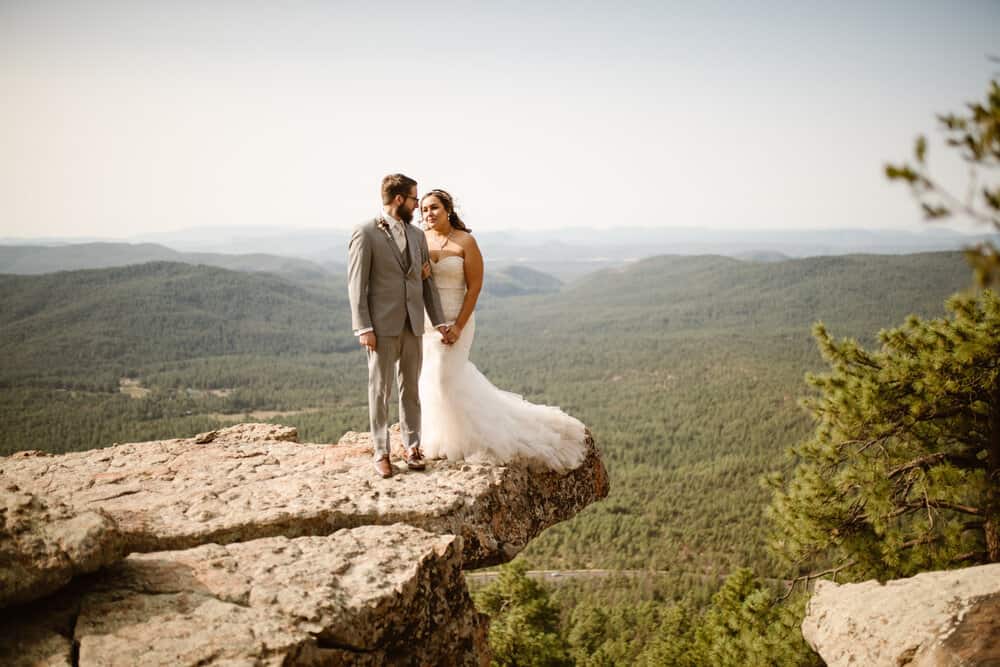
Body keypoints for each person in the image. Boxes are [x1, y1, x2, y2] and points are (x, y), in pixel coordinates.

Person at [417, 189, 587, 472]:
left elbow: (475, 287)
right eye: (423, 209)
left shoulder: (466, 241)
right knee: (431, 379)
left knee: (444, 378)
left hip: (458, 319)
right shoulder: (420, 241)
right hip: (427, 321)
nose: (428, 214)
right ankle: (438, 438)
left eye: (434, 207)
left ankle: (467, 439)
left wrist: (458, 325)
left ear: (448, 209)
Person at [348, 174, 451, 478]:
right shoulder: (365, 233)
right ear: (398, 200)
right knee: (380, 391)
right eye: (414, 199)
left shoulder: (417, 236)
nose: (417, 205)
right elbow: (356, 285)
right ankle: (381, 452)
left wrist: (440, 322)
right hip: (380, 327)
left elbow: (426, 283)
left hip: (413, 323)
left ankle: (413, 446)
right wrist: (363, 327)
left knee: (411, 389)